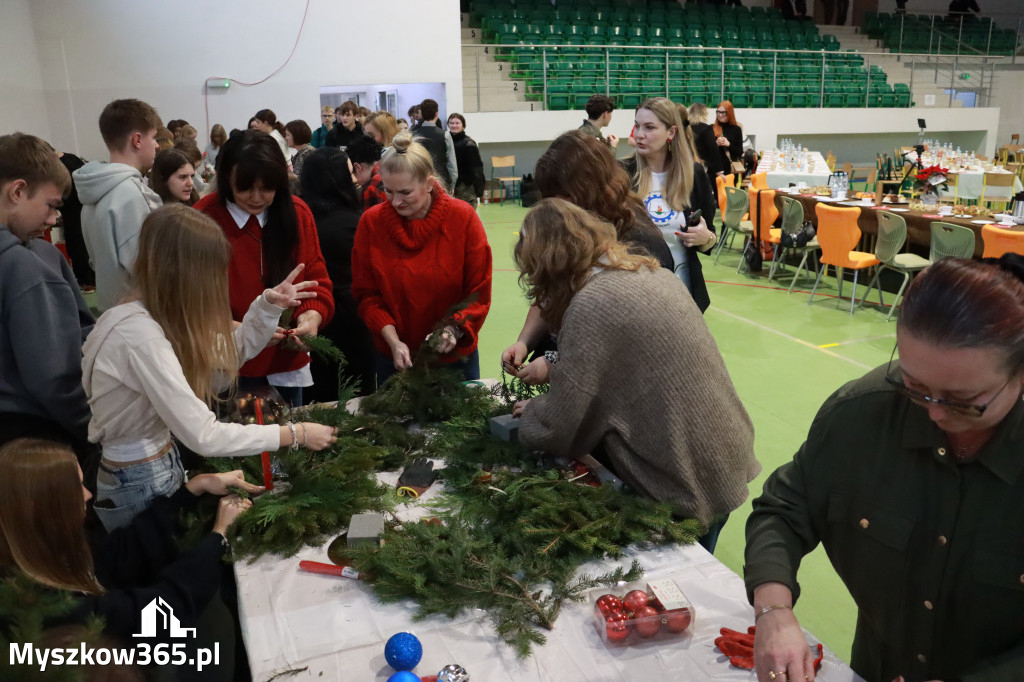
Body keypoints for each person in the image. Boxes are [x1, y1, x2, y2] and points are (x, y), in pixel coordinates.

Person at [745, 255, 1024, 682]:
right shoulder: (862, 414)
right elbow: (784, 510)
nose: (933, 414)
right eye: (915, 387)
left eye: (963, 400)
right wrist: (773, 611)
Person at [511, 199, 758, 553]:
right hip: (723, 453)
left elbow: (563, 424)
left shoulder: (591, 302)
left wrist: (531, 415)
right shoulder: (647, 271)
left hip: (683, 475)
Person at [82, 204, 338, 529]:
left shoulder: (152, 318)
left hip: (151, 468)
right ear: (186, 271)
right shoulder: (139, 335)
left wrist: (266, 306)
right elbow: (204, 435)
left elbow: (230, 353)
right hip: (140, 480)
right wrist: (295, 434)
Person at [0, 437, 258, 679]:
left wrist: (192, 489)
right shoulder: (47, 610)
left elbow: (120, 552)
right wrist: (219, 536)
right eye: (76, 488)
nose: (88, 495)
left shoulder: (44, 556)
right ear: (47, 509)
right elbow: (156, 613)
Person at [502, 130, 674, 387]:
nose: (555, 205)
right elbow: (553, 291)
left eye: (560, 196)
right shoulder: (575, 224)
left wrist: (554, 363)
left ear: (584, 188)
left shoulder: (639, 241)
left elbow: (620, 345)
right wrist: (524, 342)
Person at [196, 130, 335, 406]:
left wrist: (311, 320)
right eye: (245, 187)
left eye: (267, 188)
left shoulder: (297, 213)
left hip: (285, 363)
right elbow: (188, 303)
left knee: (289, 443)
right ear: (226, 180)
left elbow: (317, 283)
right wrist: (242, 329)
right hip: (226, 364)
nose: (257, 197)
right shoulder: (202, 219)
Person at [351, 133, 491, 386]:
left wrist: (453, 329)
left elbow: (479, 291)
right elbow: (367, 295)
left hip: (454, 360)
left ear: (428, 183)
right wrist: (393, 341)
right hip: (393, 359)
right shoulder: (371, 223)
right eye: (388, 191)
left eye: (405, 192)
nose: (395, 201)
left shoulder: (463, 218)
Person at [0, 133, 97, 477]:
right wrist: (95, 430)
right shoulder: (25, 266)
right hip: (38, 432)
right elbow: (54, 377)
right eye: (51, 205)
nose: (55, 219)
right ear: (17, 192)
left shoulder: (34, 254)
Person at [622, 98, 717, 311]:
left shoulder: (694, 175)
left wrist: (705, 238)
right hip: (635, 296)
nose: (639, 134)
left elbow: (711, 235)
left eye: (649, 127)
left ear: (671, 133)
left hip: (684, 295)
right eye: (637, 126)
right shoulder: (621, 175)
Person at [74, 98, 163, 312]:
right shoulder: (133, 194)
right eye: (154, 137)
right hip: (138, 314)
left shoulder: (92, 191)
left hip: (110, 306)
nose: (158, 145)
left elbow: (95, 261)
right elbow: (151, 269)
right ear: (137, 140)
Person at [300, 148, 375, 399]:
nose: (355, 179)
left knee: (319, 394)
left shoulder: (300, 219)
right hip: (350, 318)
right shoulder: (355, 223)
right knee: (356, 393)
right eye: (349, 172)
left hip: (310, 316)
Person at [55, 148, 94, 289]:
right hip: (83, 212)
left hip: (74, 216)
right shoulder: (71, 158)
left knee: (79, 248)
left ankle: (86, 281)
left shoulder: (59, 166)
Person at [412, 99, 457, 192]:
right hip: (441, 182)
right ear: (436, 114)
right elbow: (452, 164)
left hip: (419, 181)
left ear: (422, 114)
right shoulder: (445, 135)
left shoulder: (413, 134)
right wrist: (452, 185)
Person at [447, 113, 485, 207]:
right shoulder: (447, 141)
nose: (454, 125)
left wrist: (478, 189)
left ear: (463, 126)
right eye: (452, 123)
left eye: (457, 123)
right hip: (451, 186)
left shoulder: (469, 144)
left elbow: (477, 170)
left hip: (466, 188)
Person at [347, 133, 386, 211]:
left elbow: (368, 221)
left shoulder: (371, 189)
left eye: (351, 173)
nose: (352, 180)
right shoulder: (389, 171)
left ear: (357, 168)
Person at [687, 102, 724, 178]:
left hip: (685, 164)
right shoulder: (706, 128)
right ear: (703, 114)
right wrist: (719, 171)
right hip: (701, 166)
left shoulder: (684, 127)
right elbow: (713, 149)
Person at [713, 100, 744, 178]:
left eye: (723, 112)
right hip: (716, 170)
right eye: (718, 112)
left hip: (731, 170)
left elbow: (739, 152)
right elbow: (706, 152)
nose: (720, 115)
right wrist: (715, 144)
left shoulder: (736, 129)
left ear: (729, 113)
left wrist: (728, 144)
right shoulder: (712, 128)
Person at [284, 119, 315, 193]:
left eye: (288, 135)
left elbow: (301, 179)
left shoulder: (309, 153)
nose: (286, 138)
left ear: (296, 135)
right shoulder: (299, 154)